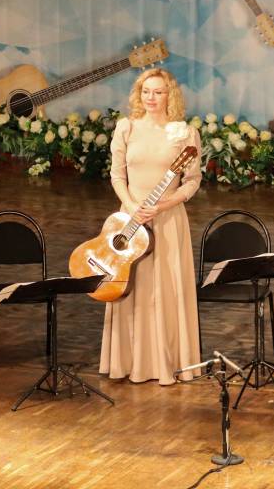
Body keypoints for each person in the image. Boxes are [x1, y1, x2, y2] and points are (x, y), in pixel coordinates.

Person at [100, 67, 203, 385]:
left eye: (158, 92)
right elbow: (117, 175)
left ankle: (167, 362)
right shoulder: (126, 127)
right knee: (132, 287)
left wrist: (163, 205)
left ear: (170, 95)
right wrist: (132, 207)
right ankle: (131, 362)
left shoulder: (184, 134)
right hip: (131, 219)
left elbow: (192, 181)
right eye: (146, 91)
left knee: (166, 291)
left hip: (168, 220)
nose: (151, 98)